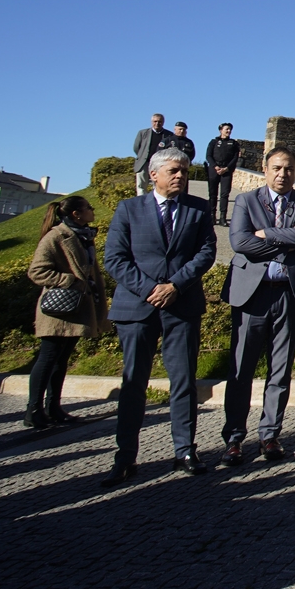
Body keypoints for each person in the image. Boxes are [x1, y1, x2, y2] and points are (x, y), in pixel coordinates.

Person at [101, 147, 217, 485]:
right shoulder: (129, 209)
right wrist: (151, 288)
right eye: (173, 170)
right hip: (138, 307)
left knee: (183, 381)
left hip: (180, 305)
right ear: (154, 174)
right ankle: (125, 455)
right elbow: (115, 258)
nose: (181, 175)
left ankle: (184, 449)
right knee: (133, 382)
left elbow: (206, 251)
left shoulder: (198, 209)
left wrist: (175, 286)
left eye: (184, 170)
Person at [222, 146, 295, 465]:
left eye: (289, 169)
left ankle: (270, 435)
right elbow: (239, 242)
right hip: (252, 293)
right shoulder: (246, 201)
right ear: (265, 169)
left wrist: (268, 235)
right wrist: (286, 242)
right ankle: (234, 439)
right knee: (241, 370)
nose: (282, 174)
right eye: (277, 168)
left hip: (289, 294)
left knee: (281, 369)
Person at [25, 196, 109, 428]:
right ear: (76, 214)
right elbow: (37, 271)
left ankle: (54, 407)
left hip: (77, 306)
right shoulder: (56, 236)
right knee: (48, 357)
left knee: (61, 360)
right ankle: (33, 410)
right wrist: (70, 280)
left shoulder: (83, 237)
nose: (93, 211)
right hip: (58, 309)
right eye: (89, 208)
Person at [204, 123, 240, 226]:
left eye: (230, 129)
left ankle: (222, 217)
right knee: (212, 194)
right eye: (226, 129)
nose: (228, 131)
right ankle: (212, 216)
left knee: (224, 194)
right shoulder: (214, 142)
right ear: (220, 130)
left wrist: (227, 168)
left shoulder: (233, 143)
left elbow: (235, 157)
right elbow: (208, 155)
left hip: (226, 171)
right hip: (214, 170)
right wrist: (215, 166)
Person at [133, 113, 170, 196]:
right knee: (141, 186)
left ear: (163, 122)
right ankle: (142, 204)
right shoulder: (143, 133)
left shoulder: (169, 135)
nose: (157, 123)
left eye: (159, 121)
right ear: (151, 122)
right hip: (144, 163)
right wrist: (142, 156)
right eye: (155, 121)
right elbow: (136, 147)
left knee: (158, 185)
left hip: (159, 164)